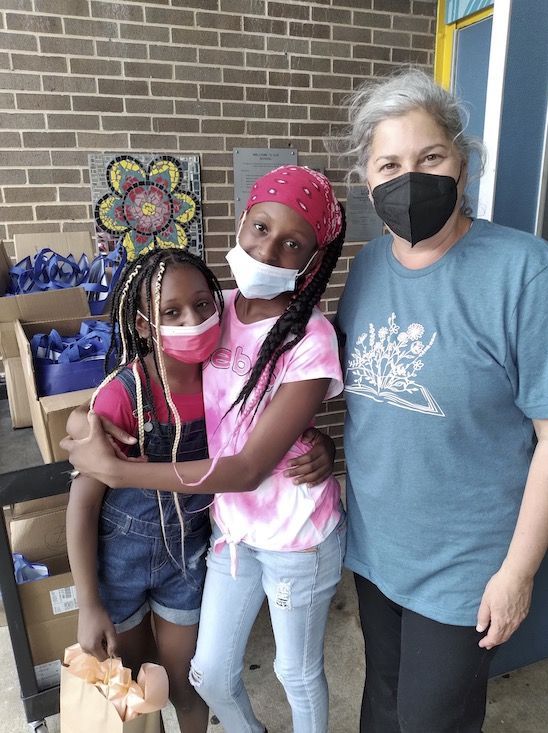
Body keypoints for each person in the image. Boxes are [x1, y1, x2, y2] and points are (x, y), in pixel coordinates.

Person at [62, 165, 348, 733]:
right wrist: (86, 417)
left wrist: (118, 471)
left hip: (296, 538)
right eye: (260, 228)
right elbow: (150, 358)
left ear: (312, 261)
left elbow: (245, 466)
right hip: (230, 534)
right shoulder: (217, 311)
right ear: (241, 222)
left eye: (293, 244)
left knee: (295, 671)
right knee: (209, 674)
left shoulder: (309, 337)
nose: (269, 249)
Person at [333, 68, 548, 732]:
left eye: (430, 156)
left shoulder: (522, 271)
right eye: (389, 163)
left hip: (464, 567)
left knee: (433, 720)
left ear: (463, 162)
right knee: (384, 703)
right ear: (368, 180)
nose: (410, 176)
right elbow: (365, 401)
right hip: (376, 551)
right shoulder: (368, 265)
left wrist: (517, 573)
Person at [66, 246, 225, 732]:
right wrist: (88, 603)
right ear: (139, 325)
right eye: (170, 313)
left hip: (188, 559)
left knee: (186, 682)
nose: (192, 321)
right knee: (134, 689)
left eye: (202, 305)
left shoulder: (225, 380)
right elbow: (83, 505)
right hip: (120, 568)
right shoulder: (123, 393)